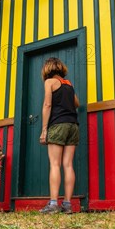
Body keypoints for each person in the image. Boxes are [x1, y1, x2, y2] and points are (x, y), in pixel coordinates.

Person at [39, 57, 80, 214]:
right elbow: (76, 103)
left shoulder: (49, 82)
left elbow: (47, 104)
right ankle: (67, 205)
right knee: (68, 165)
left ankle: (54, 204)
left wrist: (44, 129)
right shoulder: (68, 84)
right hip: (73, 125)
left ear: (47, 69)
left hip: (58, 124)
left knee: (55, 164)